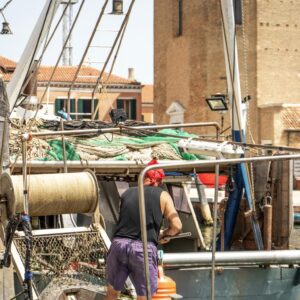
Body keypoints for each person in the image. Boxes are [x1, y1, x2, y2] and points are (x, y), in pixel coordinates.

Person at [105, 159, 182, 300]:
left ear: (144, 177)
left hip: (119, 245)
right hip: (143, 249)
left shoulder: (126, 193)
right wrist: (165, 234)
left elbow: (128, 220)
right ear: (158, 181)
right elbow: (177, 226)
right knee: (144, 295)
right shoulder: (163, 195)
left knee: (112, 291)